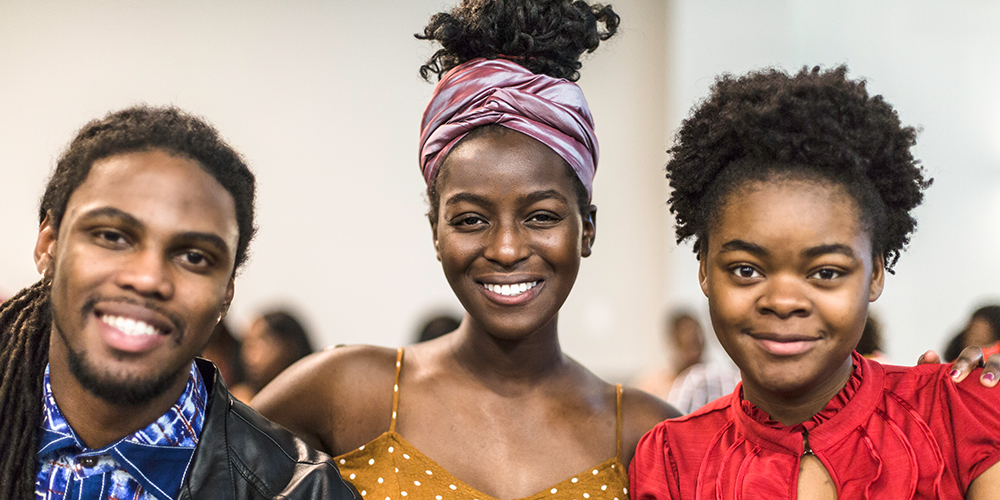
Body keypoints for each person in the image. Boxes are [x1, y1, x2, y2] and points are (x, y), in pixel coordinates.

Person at [253, 1, 678, 499]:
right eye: (471, 220)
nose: (505, 248)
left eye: (541, 216)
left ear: (586, 229)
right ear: (436, 231)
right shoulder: (348, 393)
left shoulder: (646, 434)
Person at [629, 67, 1000, 498]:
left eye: (825, 272)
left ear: (876, 272)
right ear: (704, 271)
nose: (784, 302)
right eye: (746, 269)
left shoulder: (960, 412)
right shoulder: (672, 457)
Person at [0, 106, 356, 500]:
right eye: (111, 236)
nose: (149, 278)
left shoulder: (304, 491)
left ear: (226, 295)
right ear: (48, 245)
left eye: (194, 257)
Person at [631, 311, 740, 414]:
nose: (693, 351)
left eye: (696, 342)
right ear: (673, 342)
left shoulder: (720, 380)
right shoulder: (652, 384)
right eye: (687, 344)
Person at [231, 309, 315, 401]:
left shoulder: (314, 395)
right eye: (246, 345)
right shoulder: (241, 398)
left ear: (288, 346)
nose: (248, 357)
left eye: (257, 345)